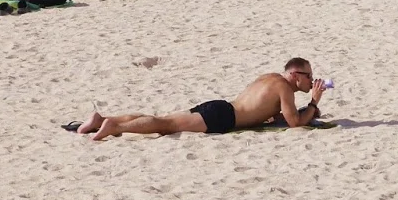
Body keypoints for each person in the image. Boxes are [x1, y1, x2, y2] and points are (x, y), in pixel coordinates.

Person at [70, 58, 328, 139]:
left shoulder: (270, 77)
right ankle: (116, 126)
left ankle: (102, 119)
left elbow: (273, 114)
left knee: (164, 119)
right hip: (223, 117)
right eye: (308, 77)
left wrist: (308, 107)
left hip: (220, 106)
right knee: (165, 125)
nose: (311, 81)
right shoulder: (284, 88)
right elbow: (294, 122)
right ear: (295, 75)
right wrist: (314, 102)